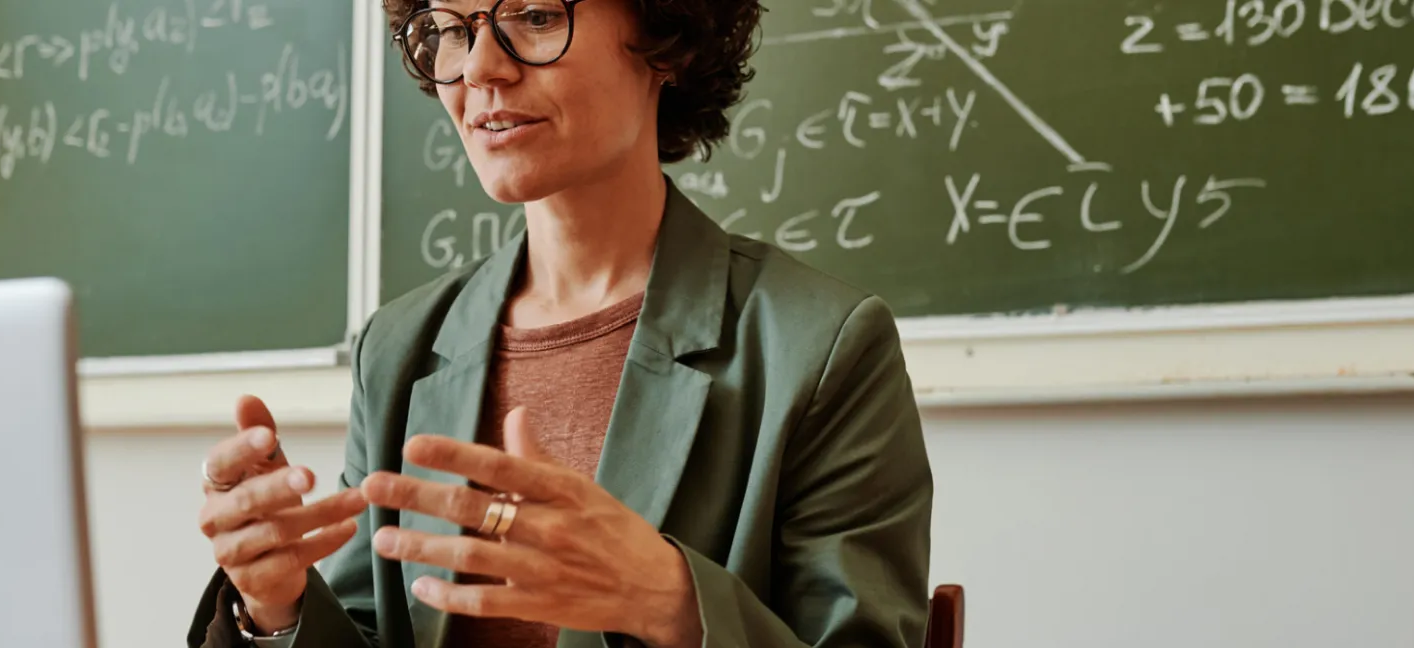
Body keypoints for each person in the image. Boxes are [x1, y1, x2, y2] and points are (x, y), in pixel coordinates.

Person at [187, 0, 935, 645]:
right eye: (448, 28)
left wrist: (671, 601)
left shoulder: (823, 346)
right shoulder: (400, 348)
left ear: (666, 36)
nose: (480, 67)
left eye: (535, 16)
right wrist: (278, 603)